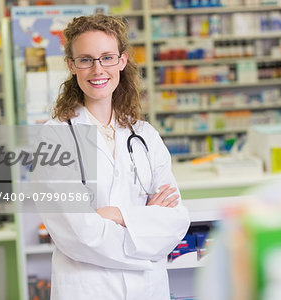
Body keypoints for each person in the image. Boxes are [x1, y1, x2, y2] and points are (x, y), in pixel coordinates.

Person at [35, 14, 190, 300]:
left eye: (107, 57)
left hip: (148, 290)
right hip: (89, 290)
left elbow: (176, 220)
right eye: (86, 59)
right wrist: (146, 230)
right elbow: (79, 233)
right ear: (71, 65)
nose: (98, 69)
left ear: (121, 60)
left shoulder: (145, 135)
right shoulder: (55, 138)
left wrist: (115, 214)